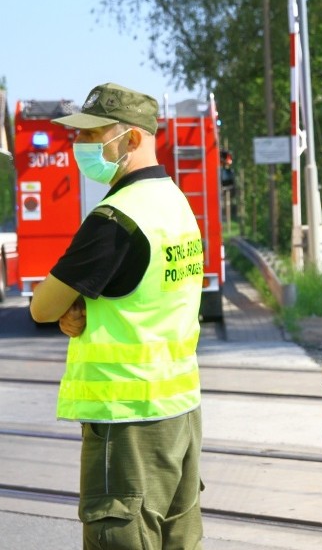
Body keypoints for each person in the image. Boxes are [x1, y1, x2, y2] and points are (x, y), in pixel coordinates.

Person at [30, 82, 205, 549]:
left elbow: (42, 306)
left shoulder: (116, 218)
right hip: (180, 414)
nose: (78, 146)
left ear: (129, 139)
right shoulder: (175, 203)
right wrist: (89, 304)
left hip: (127, 424)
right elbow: (147, 295)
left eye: (90, 136)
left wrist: (75, 306)